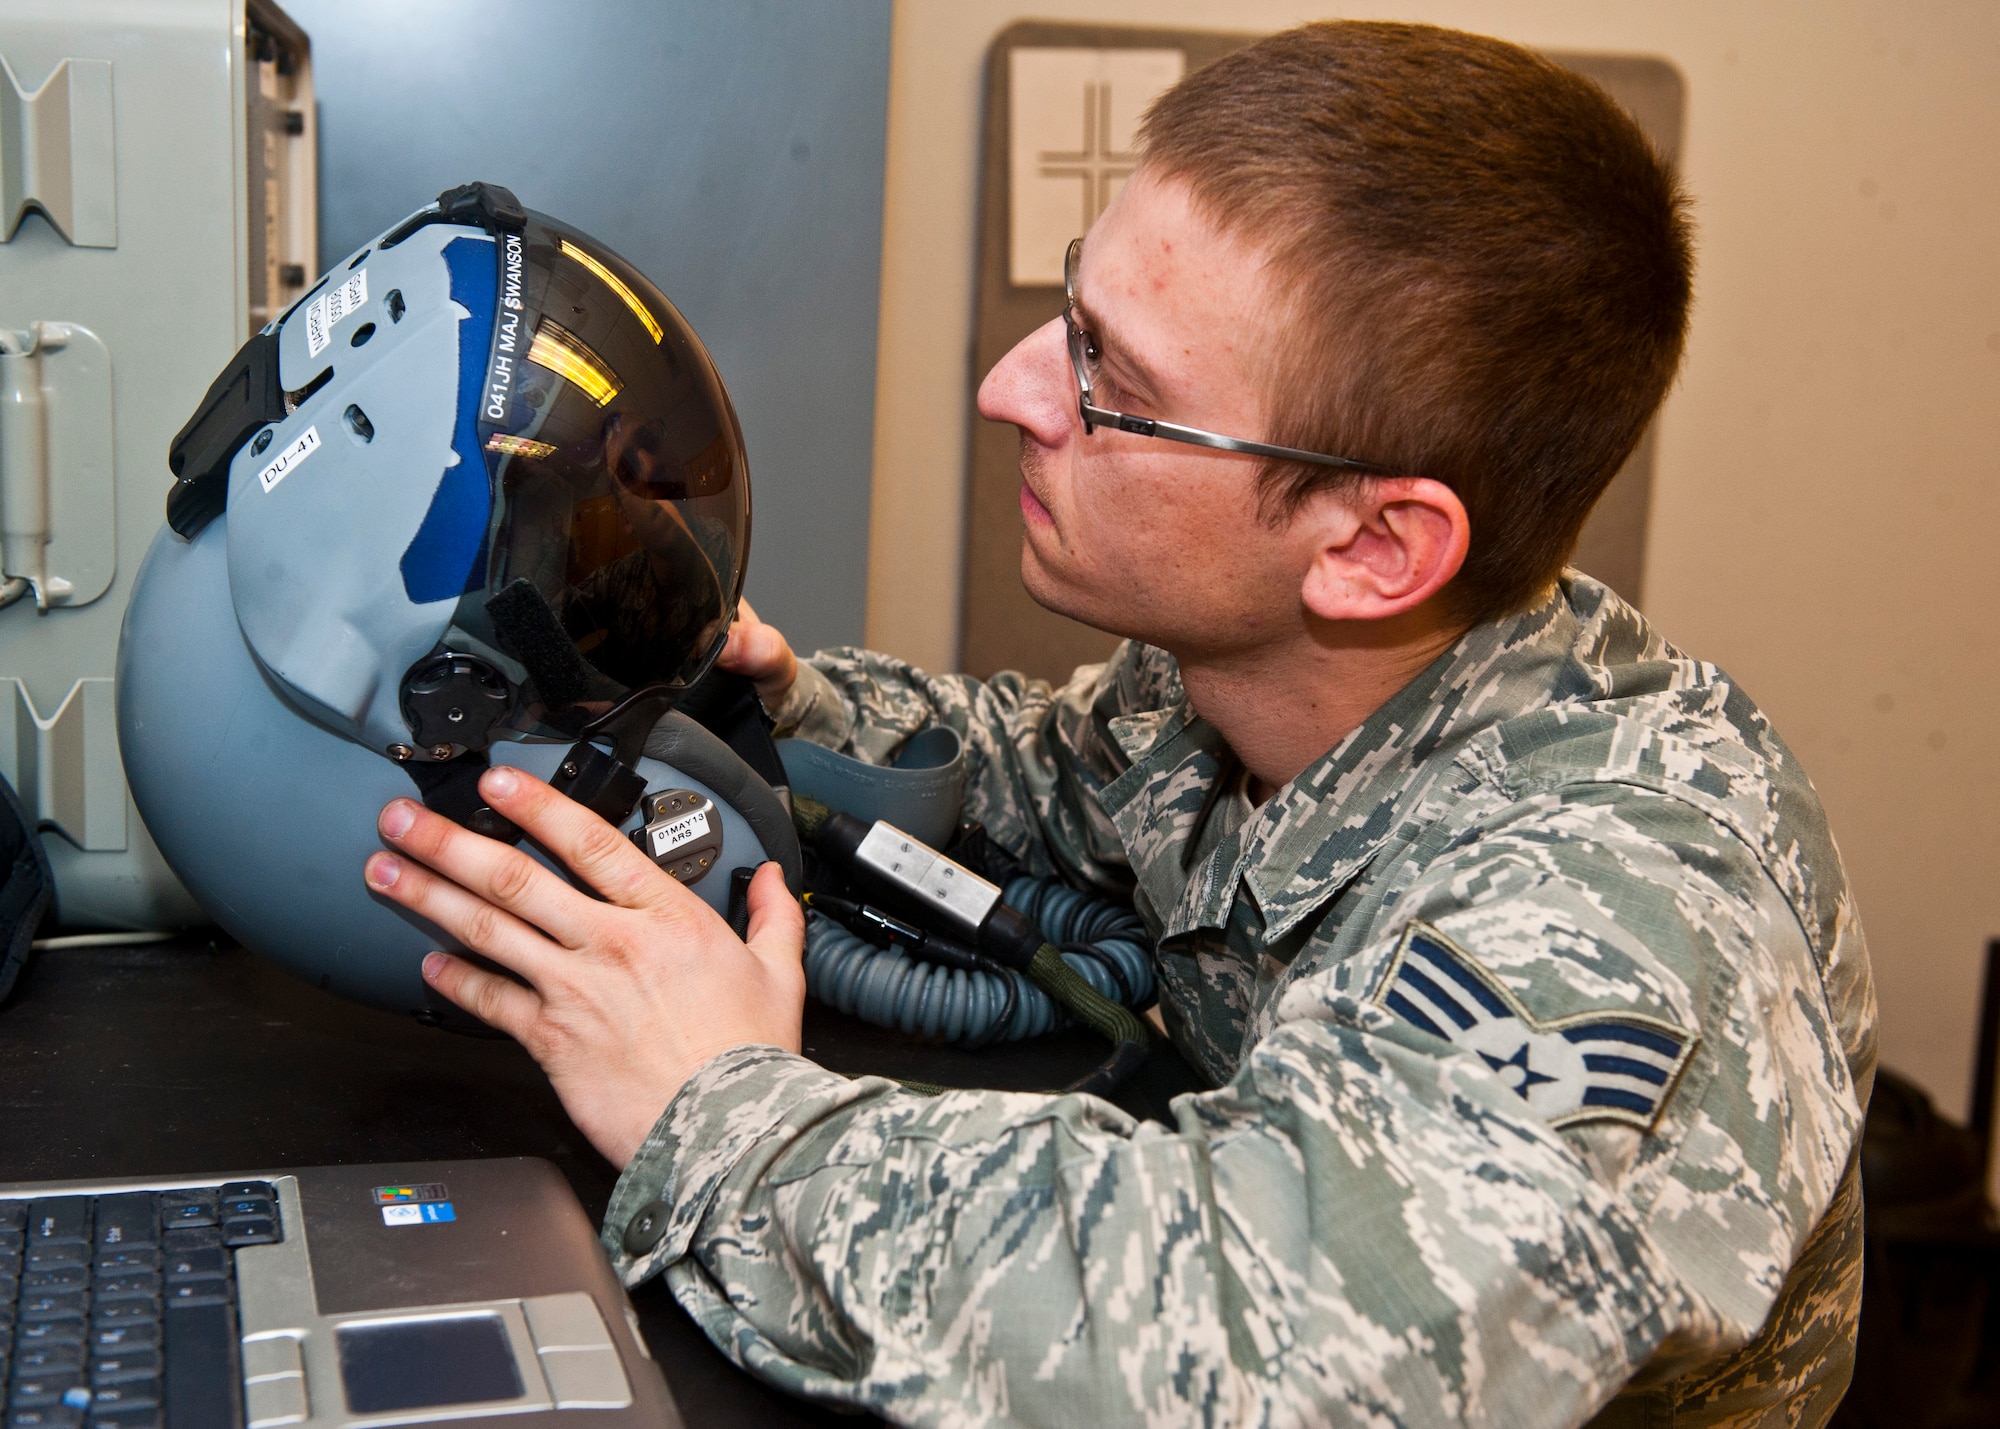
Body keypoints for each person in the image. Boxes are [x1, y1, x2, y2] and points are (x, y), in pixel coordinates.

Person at [359, 21, 1875, 1427]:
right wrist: (774, 702)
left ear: (1370, 548)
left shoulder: (1617, 911)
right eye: (1067, 312)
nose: (1011, 386)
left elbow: (1247, 1338)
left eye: (1113, 380)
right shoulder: (1251, 670)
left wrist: (717, 1107)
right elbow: (1066, 768)